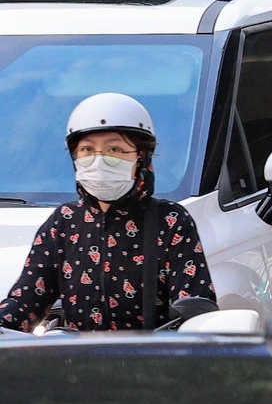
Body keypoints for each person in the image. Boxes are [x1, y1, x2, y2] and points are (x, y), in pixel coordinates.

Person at [0, 93, 215, 331]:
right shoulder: (63, 223)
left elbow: (196, 309)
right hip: (74, 364)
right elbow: (24, 304)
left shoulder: (171, 220)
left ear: (141, 157)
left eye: (114, 149)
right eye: (87, 150)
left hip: (152, 363)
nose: (99, 160)